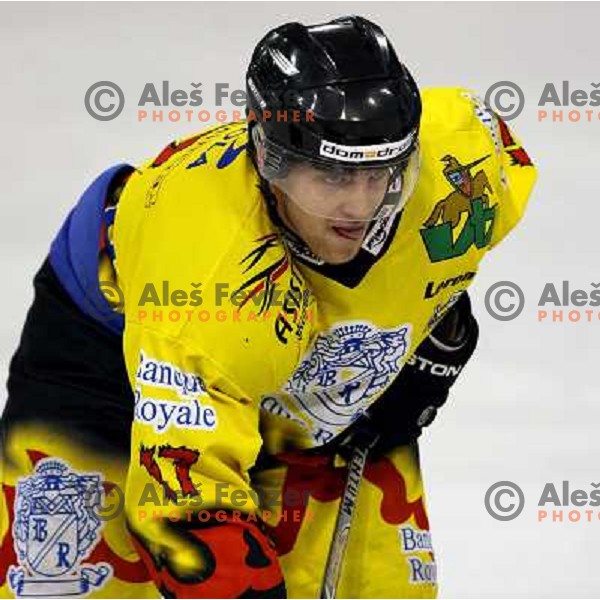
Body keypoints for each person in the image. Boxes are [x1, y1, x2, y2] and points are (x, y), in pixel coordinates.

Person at [0, 15, 536, 599]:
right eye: (331, 174)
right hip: (114, 346)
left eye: (383, 172)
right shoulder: (206, 277)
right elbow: (188, 511)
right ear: (270, 158)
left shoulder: (465, 167)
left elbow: (435, 264)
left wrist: (436, 338)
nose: (361, 205)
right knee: (67, 578)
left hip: (288, 343)